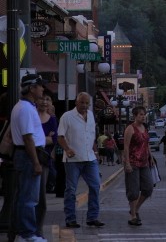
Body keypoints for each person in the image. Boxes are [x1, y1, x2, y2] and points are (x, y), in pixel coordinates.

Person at [57, 92, 104, 228]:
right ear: (76, 102)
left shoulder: (91, 115)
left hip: (90, 158)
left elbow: (91, 136)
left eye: (86, 103)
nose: (84, 105)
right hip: (73, 160)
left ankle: (92, 217)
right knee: (71, 189)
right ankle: (70, 218)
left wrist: (96, 152)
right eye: (82, 102)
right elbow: (60, 136)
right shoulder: (67, 116)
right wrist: (67, 149)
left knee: (95, 186)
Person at [10, 74, 47, 242]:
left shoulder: (25, 107)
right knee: (29, 198)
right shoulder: (25, 109)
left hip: (26, 155)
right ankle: (28, 234)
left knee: (24, 196)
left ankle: (21, 232)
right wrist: (36, 162)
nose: (42, 89)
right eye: (40, 86)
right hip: (28, 156)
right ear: (32, 88)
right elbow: (28, 138)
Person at [123, 106, 154, 226]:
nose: (143, 116)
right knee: (133, 191)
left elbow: (146, 144)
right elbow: (126, 147)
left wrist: (151, 157)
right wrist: (127, 163)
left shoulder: (144, 128)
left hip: (144, 162)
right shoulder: (130, 129)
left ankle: (135, 209)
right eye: (140, 114)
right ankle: (133, 216)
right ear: (135, 116)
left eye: (144, 114)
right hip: (133, 163)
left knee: (148, 188)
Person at [36, 91, 57, 233]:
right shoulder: (32, 116)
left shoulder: (52, 120)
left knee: (41, 195)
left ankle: (38, 228)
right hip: (30, 159)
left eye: (47, 99)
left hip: (44, 160)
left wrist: (39, 139)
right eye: (42, 99)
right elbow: (29, 137)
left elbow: (54, 139)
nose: (44, 102)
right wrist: (45, 138)